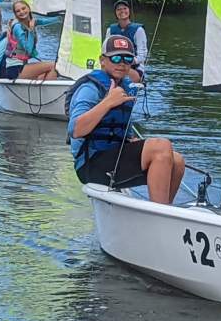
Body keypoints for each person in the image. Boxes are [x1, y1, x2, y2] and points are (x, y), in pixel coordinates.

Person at [67, 34, 185, 204]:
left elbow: (120, 127)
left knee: (177, 161)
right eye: (115, 57)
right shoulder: (90, 88)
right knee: (160, 146)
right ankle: (159, 215)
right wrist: (107, 102)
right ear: (103, 60)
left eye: (127, 58)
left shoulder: (125, 87)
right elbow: (75, 130)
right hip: (91, 165)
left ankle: (164, 210)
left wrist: (131, 139)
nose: (121, 63)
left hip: (113, 158)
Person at [0, 0, 58, 80]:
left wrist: (63, 17)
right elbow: (28, 49)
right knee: (53, 66)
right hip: (14, 69)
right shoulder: (18, 27)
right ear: (15, 14)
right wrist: (31, 30)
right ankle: (49, 92)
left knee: (45, 74)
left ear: (29, 9)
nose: (22, 12)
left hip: (22, 66)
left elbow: (47, 21)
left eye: (23, 8)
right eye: (18, 11)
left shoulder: (30, 22)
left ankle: (41, 92)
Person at [106, 0, 148, 82]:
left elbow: (142, 55)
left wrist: (125, 62)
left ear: (129, 11)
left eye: (124, 8)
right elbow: (105, 51)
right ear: (115, 13)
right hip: (114, 65)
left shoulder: (138, 30)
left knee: (122, 76)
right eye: (118, 9)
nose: (122, 11)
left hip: (134, 68)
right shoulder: (110, 30)